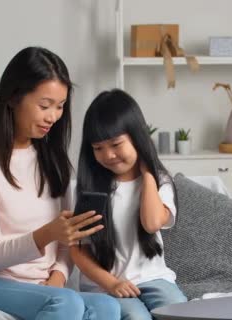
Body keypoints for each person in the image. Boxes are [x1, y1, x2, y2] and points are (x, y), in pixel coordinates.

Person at [0, 47, 121, 320]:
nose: (53, 117)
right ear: (13, 97)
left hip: (42, 288)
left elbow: (68, 240)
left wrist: (58, 277)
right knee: (66, 304)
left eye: (60, 106)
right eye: (44, 106)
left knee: (107, 307)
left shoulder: (52, 160)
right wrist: (48, 233)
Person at [71, 88, 188, 320]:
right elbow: (78, 250)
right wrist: (112, 283)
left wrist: (147, 175)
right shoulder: (90, 188)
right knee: (136, 318)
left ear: (137, 138)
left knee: (179, 312)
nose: (108, 155)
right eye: (98, 148)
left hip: (154, 279)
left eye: (116, 144)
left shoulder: (160, 182)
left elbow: (152, 222)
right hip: (105, 286)